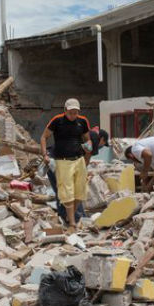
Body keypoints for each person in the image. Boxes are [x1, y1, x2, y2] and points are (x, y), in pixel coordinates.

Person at [40, 98, 92, 231]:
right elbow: (44, 137)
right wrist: (45, 154)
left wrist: (88, 151)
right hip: (62, 161)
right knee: (67, 192)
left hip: (78, 159)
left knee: (80, 191)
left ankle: (70, 217)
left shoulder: (83, 121)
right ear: (65, 110)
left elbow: (87, 140)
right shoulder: (57, 120)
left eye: (75, 112)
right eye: (71, 112)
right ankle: (72, 224)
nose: (73, 115)